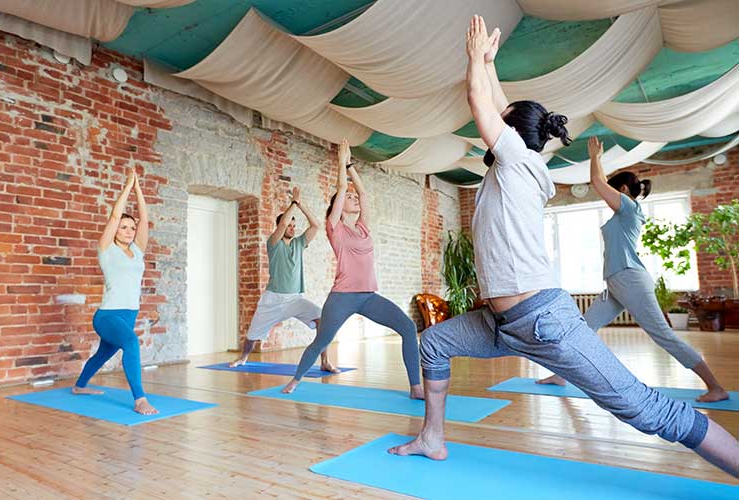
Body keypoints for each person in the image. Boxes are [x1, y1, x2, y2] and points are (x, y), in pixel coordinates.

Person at [389, 15, 739, 479]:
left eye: (504, 122)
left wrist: (473, 59)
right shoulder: (515, 165)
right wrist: (491, 64)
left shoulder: (519, 163)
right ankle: (432, 438)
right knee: (432, 342)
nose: (496, 121)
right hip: (501, 322)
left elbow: (482, 102)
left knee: (646, 409)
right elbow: (498, 102)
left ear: (513, 134)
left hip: (543, 320)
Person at [537, 138, 728, 403]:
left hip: (629, 279)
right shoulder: (622, 214)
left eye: (614, 193)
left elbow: (598, 183)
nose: (608, 199)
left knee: (663, 335)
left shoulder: (630, 208)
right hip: (616, 282)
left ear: (624, 190)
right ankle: (561, 375)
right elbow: (603, 185)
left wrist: (595, 157)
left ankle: (715, 387)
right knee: (583, 328)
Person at [282, 138, 424, 399]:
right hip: (342, 298)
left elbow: (365, 194)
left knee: (407, 327)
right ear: (338, 206)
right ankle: (296, 379)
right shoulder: (334, 227)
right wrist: (340, 166)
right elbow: (341, 187)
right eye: (348, 197)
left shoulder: (363, 227)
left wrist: (350, 165)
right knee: (321, 342)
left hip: (368, 296)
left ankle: (416, 387)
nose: (354, 198)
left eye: (353, 196)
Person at [73, 168, 157, 415]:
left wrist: (139, 188)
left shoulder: (138, 251)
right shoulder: (106, 250)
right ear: (116, 231)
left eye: (131, 228)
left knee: (102, 354)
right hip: (108, 316)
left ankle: (79, 386)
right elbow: (113, 216)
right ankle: (140, 399)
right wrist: (128, 186)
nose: (129, 231)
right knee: (131, 341)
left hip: (129, 314)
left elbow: (144, 217)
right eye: (124, 227)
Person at [228, 186, 338, 373]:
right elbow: (281, 224)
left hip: (295, 299)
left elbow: (316, 226)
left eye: (294, 226)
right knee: (253, 334)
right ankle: (243, 357)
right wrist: (293, 203)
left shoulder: (299, 243)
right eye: (289, 225)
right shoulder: (273, 243)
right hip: (273, 299)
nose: (292, 228)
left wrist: (301, 205)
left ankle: (325, 361)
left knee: (322, 318)